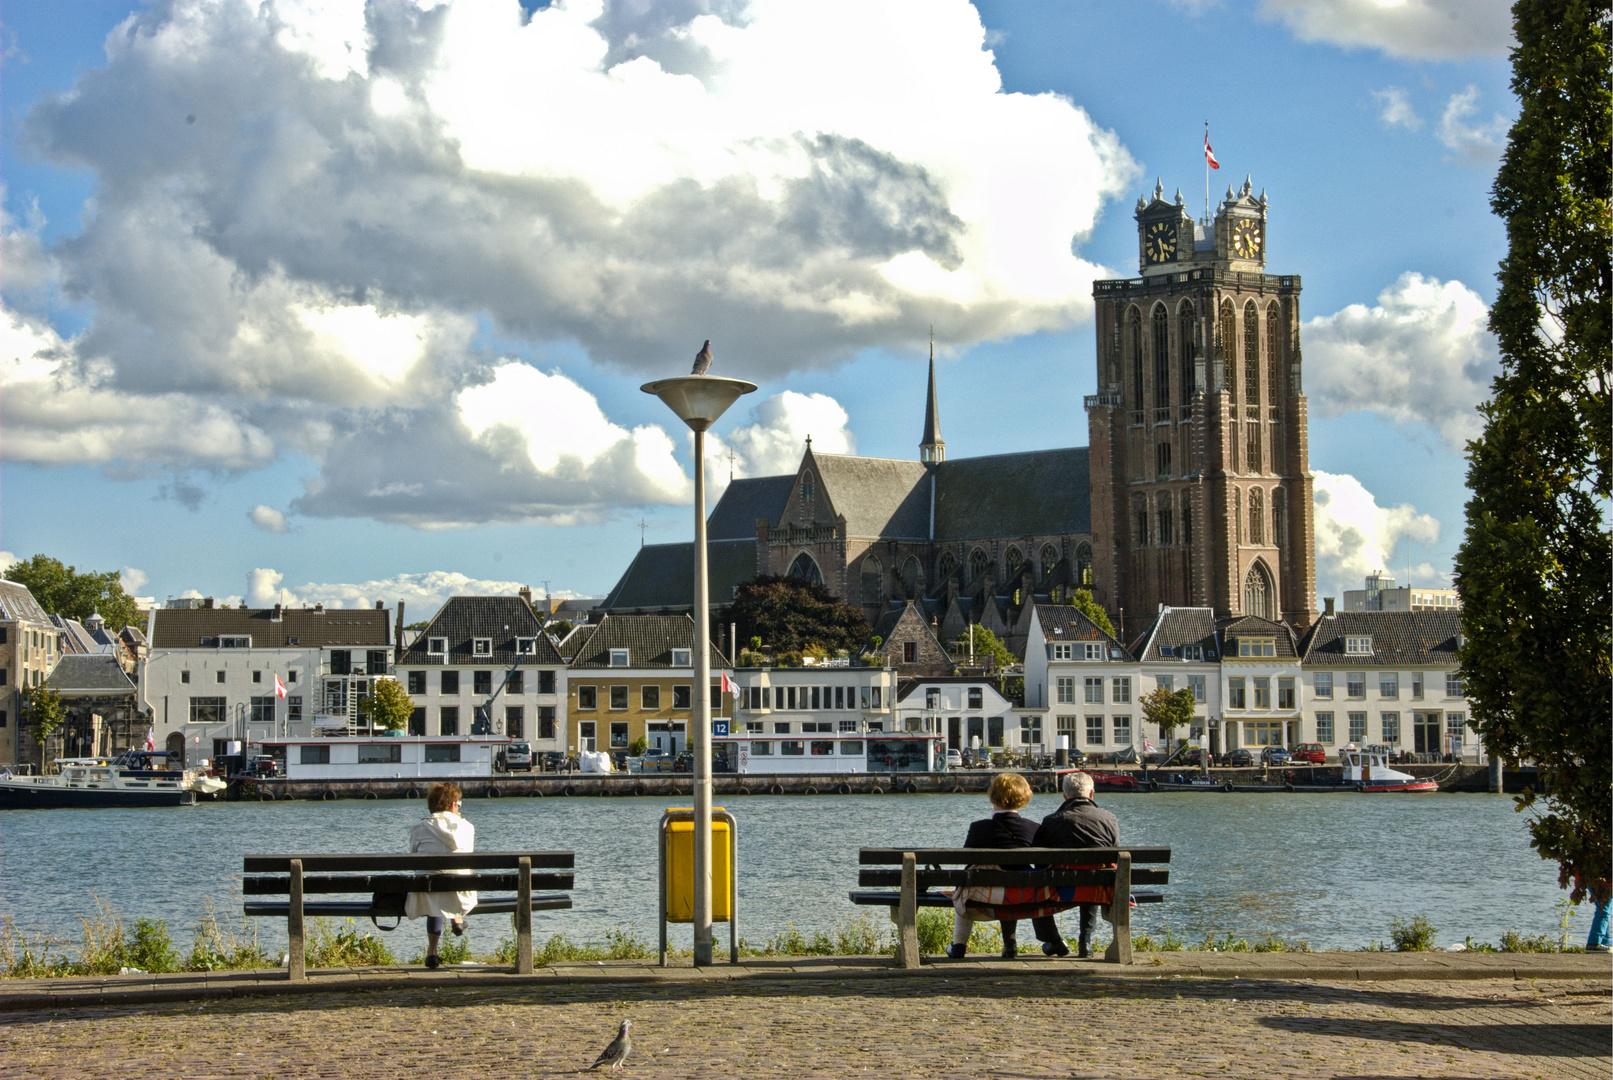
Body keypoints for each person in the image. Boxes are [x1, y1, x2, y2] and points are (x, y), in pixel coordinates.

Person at [948, 772, 1038, 960]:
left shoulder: (978, 828)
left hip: (983, 894)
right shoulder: (1033, 828)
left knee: (965, 885)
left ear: (992, 796)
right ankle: (1010, 944)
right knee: (1011, 879)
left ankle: (958, 944)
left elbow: (969, 861)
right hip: (1021, 894)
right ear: (1024, 798)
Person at [1031, 770, 1120, 958]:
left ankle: (1053, 940)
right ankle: (1085, 941)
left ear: (1064, 796)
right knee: (1094, 872)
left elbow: (1038, 860)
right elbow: (1114, 854)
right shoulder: (1108, 819)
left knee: (1032, 883)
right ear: (1092, 793)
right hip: (1098, 887)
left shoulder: (1051, 821)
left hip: (1059, 887)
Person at [405, 782, 477, 969]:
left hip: (426, 892)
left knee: (434, 891)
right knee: (457, 877)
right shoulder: (467, 827)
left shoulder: (418, 827)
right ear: (453, 805)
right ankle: (458, 919)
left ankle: (432, 952)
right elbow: (468, 861)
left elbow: (413, 856)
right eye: (458, 804)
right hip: (460, 895)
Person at [1587, 883, 1611, 954]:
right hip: (1603, 882)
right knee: (1604, 910)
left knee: (1605, 910)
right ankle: (1594, 943)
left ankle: (1606, 942)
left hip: (1596, 881)